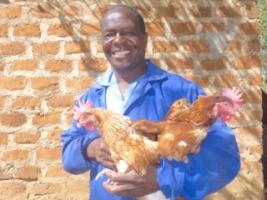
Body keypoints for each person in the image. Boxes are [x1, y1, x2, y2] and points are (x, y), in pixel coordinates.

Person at [61, 5, 240, 200]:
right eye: (109, 35)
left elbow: (225, 157)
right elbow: (68, 156)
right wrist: (90, 148)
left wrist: (164, 178)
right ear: (102, 41)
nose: (118, 40)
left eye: (129, 33)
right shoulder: (92, 98)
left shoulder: (181, 92)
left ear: (145, 39)